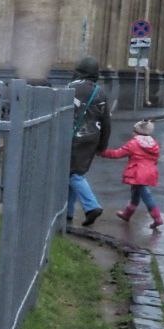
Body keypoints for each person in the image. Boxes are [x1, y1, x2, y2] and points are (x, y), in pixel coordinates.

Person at [67, 56, 111, 226]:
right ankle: (68, 213)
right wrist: (103, 145)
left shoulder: (72, 88)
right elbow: (106, 121)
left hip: (74, 137)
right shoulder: (100, 91)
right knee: (71, 174)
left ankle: (92, 207)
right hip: (92, 138)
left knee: (73, 173)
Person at [101, 119, 164, 229]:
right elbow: (156, 158)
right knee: (135, 193)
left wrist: (102, 152)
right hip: (150, 171)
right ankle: (127, 214)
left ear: (137, 132)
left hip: (137, 172)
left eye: (133, 130)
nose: (132, 133)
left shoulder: (133, 143)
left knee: (145, 195)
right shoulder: (154, 143)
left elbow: (117, 154)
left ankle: (157, 217)